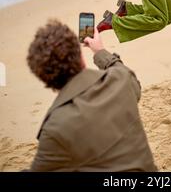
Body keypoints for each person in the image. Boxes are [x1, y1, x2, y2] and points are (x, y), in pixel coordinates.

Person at [26, 19, 157, 172]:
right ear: (80, 56)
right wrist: (99, 50)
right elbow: (121, 71)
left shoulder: (56, 127)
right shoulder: (122, 81)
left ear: (44, 78)